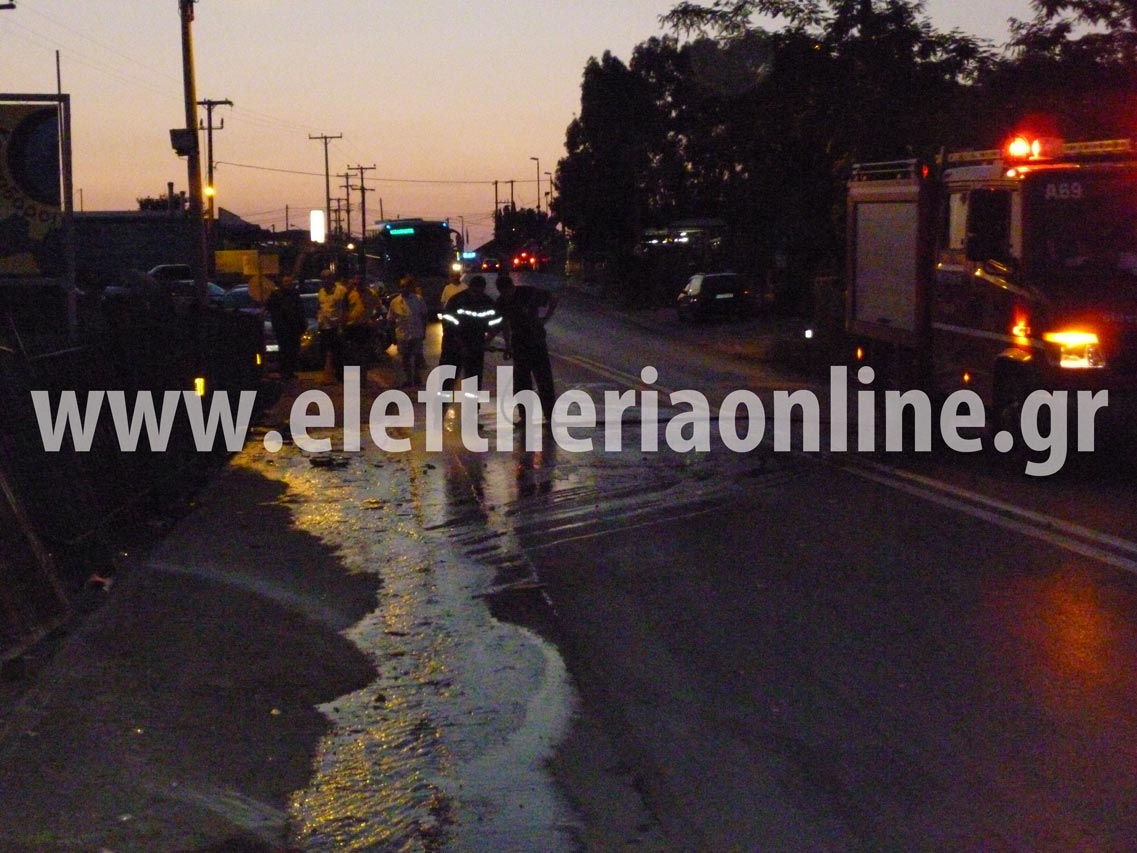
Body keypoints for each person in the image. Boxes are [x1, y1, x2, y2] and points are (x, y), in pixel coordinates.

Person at [494, 273, 558, 420]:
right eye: (503, 293)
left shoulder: (528, 293)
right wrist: (507, 345)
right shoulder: (501, 302)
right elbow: (504, 324)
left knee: (543, 379)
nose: (506, 296)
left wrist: (546, 318)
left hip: (536, 341)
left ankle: (549, 414)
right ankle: (525, 415)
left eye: (507, 292)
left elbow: (553, 298)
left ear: (511, 287)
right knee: (521, 381)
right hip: (519, 342)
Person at [439, 274, 501, 409]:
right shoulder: (456, 301)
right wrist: (461, 345)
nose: (477, 294)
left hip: (475, 345)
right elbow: (449, 326)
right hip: (453, 346)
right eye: (475, 291)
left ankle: (472, 410)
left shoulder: (487, 302)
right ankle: (441, 406)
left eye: (480, 291)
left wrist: (487, 340)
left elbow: (496, 323)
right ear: (470, 288)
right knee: (448, 377)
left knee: (473, 379)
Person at [386, 273, 430, 387]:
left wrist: (423, 331)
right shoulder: (395, 302)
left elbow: (424, 316)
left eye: (406, 286)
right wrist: (392, 336)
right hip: (402, 334)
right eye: (402, 286)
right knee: (405, 358)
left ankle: (417, 377)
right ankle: (408, 379)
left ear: (410, 287)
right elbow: (390, 320)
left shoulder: (418, 299)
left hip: (416, 333)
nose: (403, 289)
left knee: (417, 356)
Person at [265, 275, 305, 380]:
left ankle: (290, 371)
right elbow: (269, 308)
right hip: (282, 328)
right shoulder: (276, 295)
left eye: (289, 281)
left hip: (294, 328)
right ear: (282, 283)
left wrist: (302, 324)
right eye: (286, 281)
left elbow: (300, 310)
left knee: (293, 350)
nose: (288, 283)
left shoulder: (295, 294)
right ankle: (284, 372)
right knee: (284, 350)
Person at [316, 268, 347, 382]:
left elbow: (345, 307)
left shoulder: (341, 290)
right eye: (323, 278)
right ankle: (330, 375)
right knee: (326, 352)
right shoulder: (321, 291)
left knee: (338, 351)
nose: (325, 280)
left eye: (327, 278)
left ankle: (341, 375)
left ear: (332, 278)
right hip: (325, 326)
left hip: (336, 325)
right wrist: (319, 319)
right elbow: (319, 307)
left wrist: (342, 324)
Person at [342, 275, 374, 368]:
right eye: (356, 283)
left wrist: (372, 320)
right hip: (351, 328)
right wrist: (343, 325)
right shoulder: (349, 293)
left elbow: (379, 309)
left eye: (360, 283)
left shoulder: (371, 294)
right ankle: (352, 378)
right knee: (351, 356)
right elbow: (344, 309)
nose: (358, 285)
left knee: (363, 356)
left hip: (364, 328)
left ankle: (363, 376)